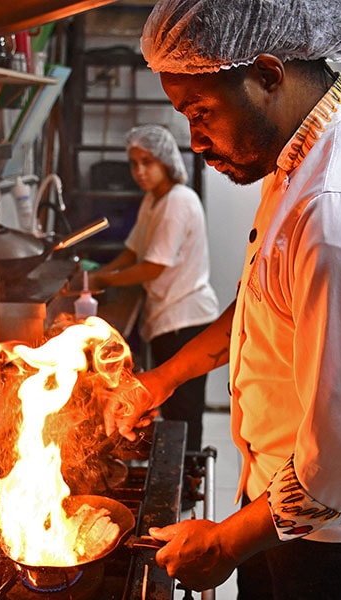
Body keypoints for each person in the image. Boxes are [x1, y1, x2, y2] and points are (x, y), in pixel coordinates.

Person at [101, 1, 341, 598]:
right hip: (290, 499)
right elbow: (262, 305)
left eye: (201, 112)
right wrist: (159, 379)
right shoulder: (301, 152)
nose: (193, 141)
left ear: (267, 75)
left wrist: (221, 544)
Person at [84, 124, 219, 452]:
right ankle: (183, 476)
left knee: (183, 414)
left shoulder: (177, 201)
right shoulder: (154, 200)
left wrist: (103, 280)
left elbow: (153, 266)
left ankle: (187, 483)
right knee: (174, 409)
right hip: (168, 317)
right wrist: (97, 275)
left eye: (148, 162)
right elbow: (132, 251)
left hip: (185, 321)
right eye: (134, 163)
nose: (140, 171)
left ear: (166, 162)